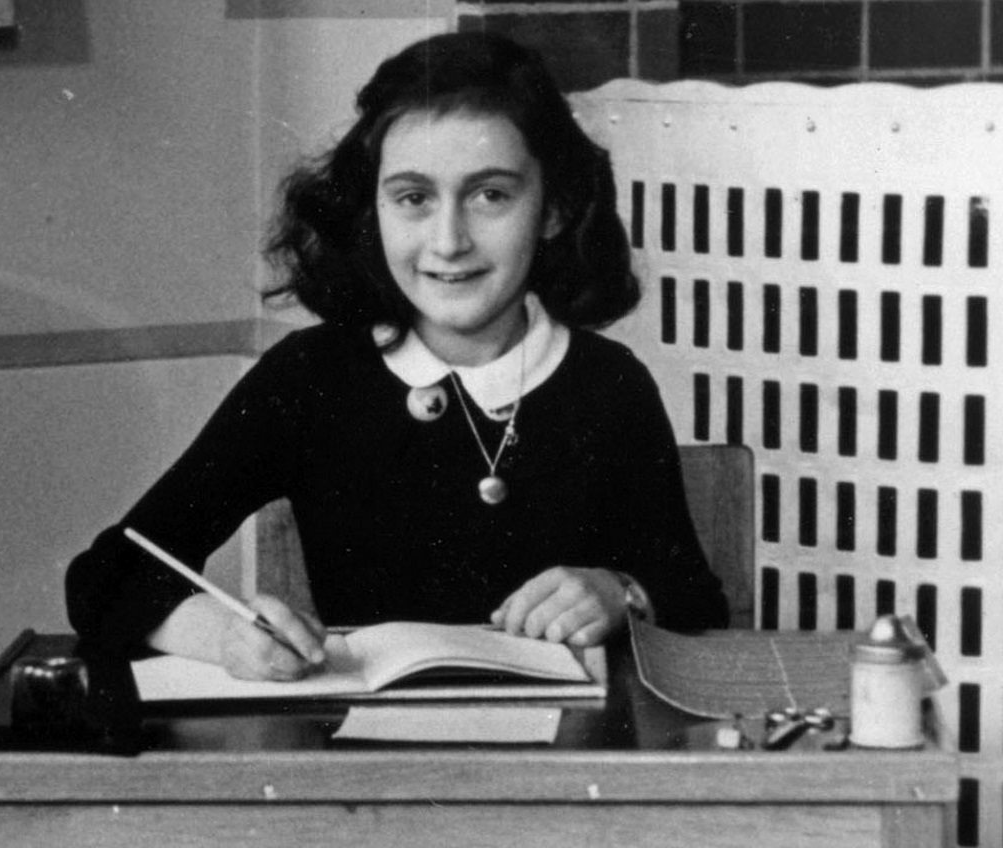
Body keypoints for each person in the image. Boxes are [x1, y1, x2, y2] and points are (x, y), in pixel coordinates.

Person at [65, 31, 728, 682]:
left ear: (554, 208)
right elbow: (107, 575)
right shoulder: (308, 378)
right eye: (413, 198)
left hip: (566, 747)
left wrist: (620, 592)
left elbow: (697, 601)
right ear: (372, 212)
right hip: (358, 747)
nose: (449, 241)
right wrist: (224, 636)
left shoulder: (608, 383)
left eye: (491, 195)